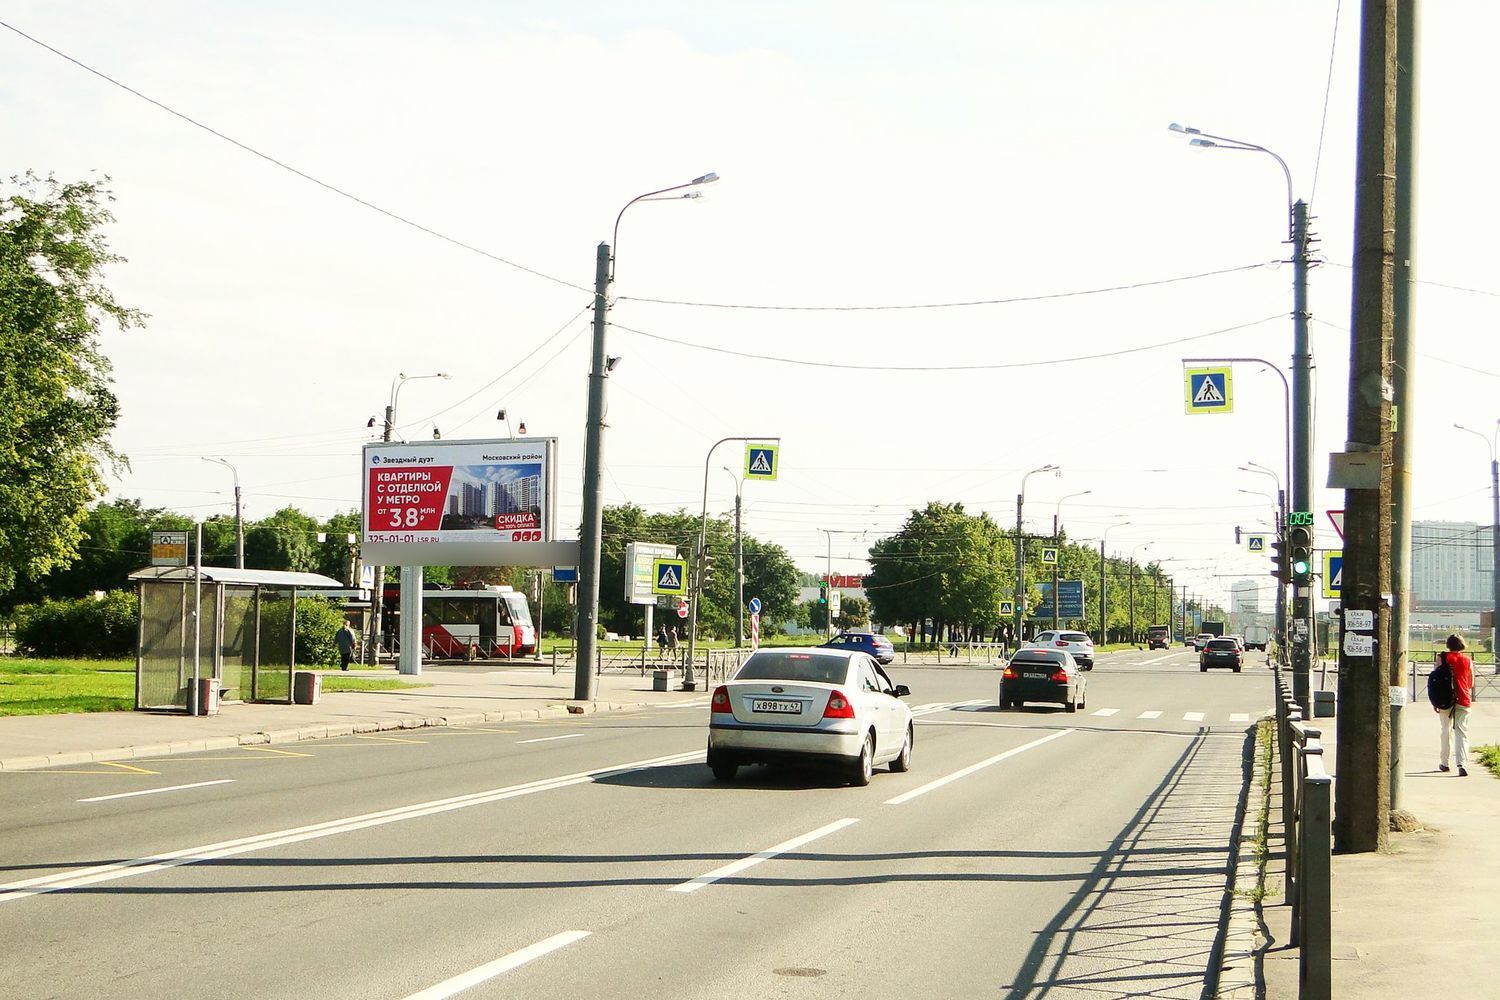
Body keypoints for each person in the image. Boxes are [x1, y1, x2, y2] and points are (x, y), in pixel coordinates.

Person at [1438, 634, 1474, 776]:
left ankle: (1444, 763)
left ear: (1448, 644)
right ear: (1462, 645)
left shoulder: (1442, 658)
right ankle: (1462, 763)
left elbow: (1437, 680)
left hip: (1445, 700)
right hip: (1463, 699)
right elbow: (1470, 683)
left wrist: (1436, 700)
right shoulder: (1467, 660)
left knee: (1445, 731)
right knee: (1461, 732)